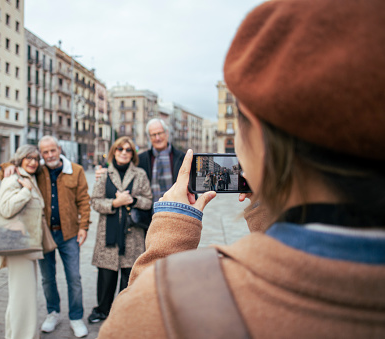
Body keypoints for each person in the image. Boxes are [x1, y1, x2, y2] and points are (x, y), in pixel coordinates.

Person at [97, 0, 385, 337]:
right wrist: (269, 206)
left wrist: (171, 226)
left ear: (261, 137)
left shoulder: (181, 298)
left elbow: (135, 319)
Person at [1, 136, 91, 338]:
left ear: (59, 149)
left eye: (53, 150)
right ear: (41, 154)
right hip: (43, 235)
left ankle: (76, 318)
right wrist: (7, 166)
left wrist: (83, 226)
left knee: (74, 278)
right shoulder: (38, 170)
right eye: (45, 152)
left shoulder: (75, 170)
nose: (49, 155)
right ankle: (53, 313)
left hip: (69, 234)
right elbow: (20, 166)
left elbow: (84, 200)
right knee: (47, 279)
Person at [88, 137, 153, 324]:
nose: (124, 152)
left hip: (132, 235)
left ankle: (126, 313)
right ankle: (102, 310)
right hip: (107, 234)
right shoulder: (104, 174)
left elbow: (148, 200)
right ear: (113, 152)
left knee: (128, 277)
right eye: (120, 149)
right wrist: (115, 203)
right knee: (106, 277)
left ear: (133, 154)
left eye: (128, 150)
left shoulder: (140, 174)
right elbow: (95, 201)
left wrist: (132, 200)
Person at [96, 119, 185, 226]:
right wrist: (105, 172)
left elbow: (191, 188)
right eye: (153, 135)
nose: (157, 138)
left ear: (166, 133)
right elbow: (125, 168)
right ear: (149, 137)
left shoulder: (182, 158)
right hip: (151, 220)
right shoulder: (141, 159)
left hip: (179, 217)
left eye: (160, 133)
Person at [0, 145, 44, 339]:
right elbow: (6, 208)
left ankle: (16, 335)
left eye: (35, 158)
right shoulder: (14, 178)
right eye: (28, 158)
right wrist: (25, 192)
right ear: (20, 159)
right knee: (22, 297)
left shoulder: (27, 176)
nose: (33, 162)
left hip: (27, 244)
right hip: (18, 245)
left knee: (22, 295)